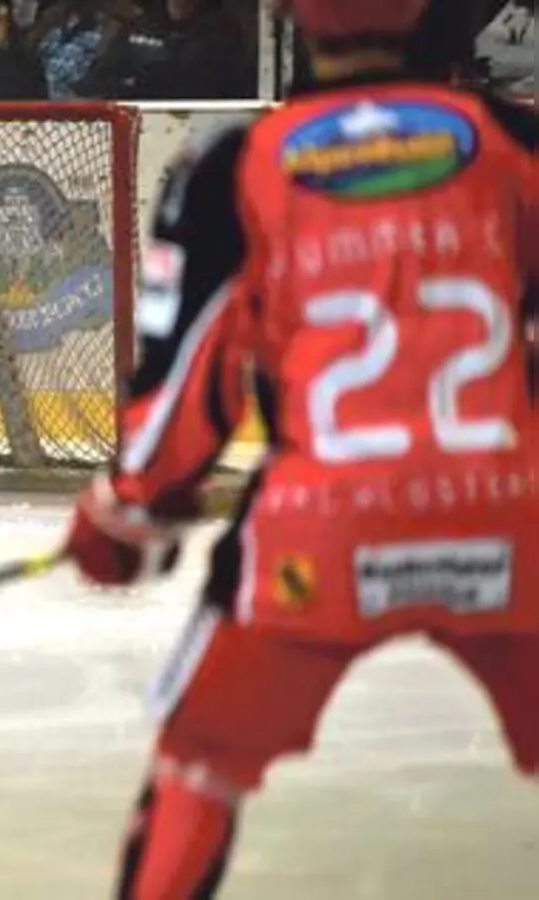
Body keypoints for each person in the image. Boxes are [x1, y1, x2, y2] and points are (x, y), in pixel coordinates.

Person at [62, 1, 539, 897]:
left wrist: (128, 510)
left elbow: (188, 378)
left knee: (200, 764)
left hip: (318, 528)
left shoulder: (235, 165)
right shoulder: (515, 141)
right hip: (511, 519)